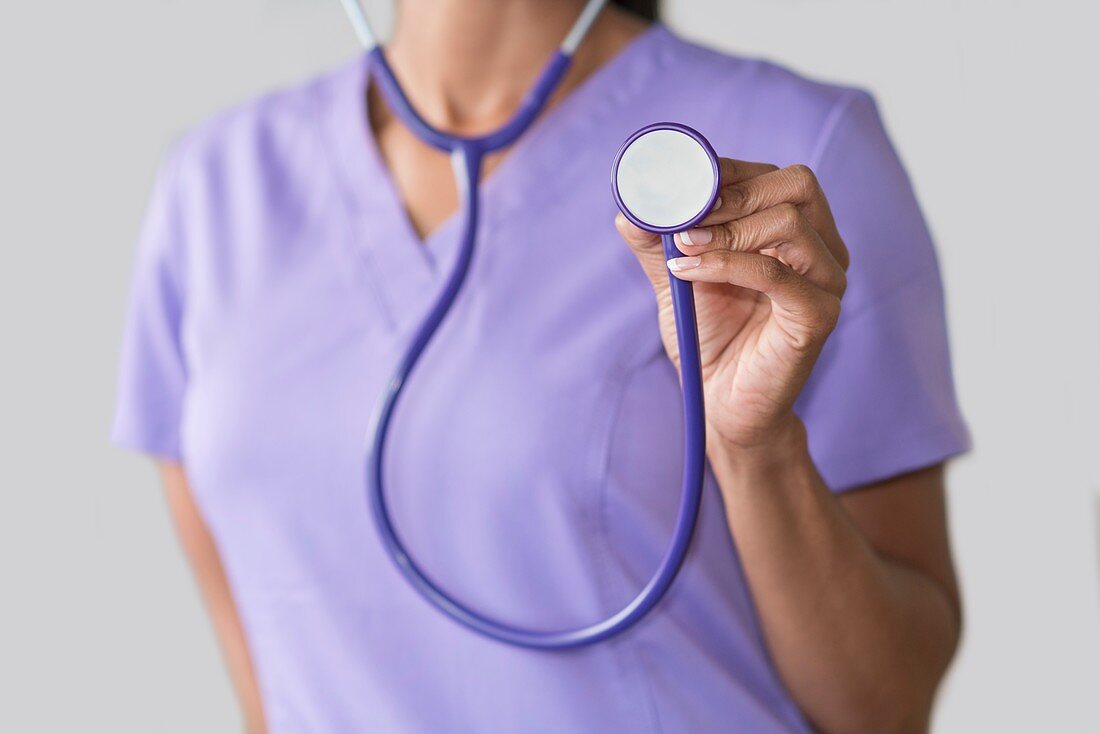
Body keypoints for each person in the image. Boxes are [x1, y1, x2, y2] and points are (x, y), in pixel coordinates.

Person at [112, 1, 971, 732]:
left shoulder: (792, 159)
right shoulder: (215, 187)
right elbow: (272, 673)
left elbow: (885, 706)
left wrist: (757, 450)